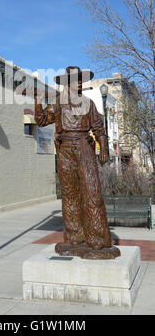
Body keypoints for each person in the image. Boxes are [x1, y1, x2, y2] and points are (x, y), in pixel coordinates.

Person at [34, 66, 120, 259]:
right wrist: (38, 103)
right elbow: (40, 120)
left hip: (84, 146)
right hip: (65, 148)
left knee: (92, 191)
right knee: (70, 193)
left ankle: (97, 239)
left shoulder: (88, 104)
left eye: (80, 79)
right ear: (67, 83)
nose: (79, 82)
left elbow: (98, 128)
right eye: (75, 79)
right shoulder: (58, 103)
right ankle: (74, 237)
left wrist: (103, 148)